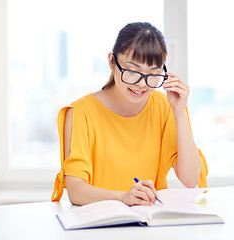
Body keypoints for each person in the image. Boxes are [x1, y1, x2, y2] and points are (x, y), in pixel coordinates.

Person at [51, 22, 208, 206]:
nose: (141, 84)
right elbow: (76, 191)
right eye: (132, 71)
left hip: (147, 225)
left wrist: (180, 112)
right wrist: (124, 198)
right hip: (98, 225)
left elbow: (190, 179)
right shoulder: (81, 113)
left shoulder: (166, 107)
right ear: (112, 61)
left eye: (152, 73)